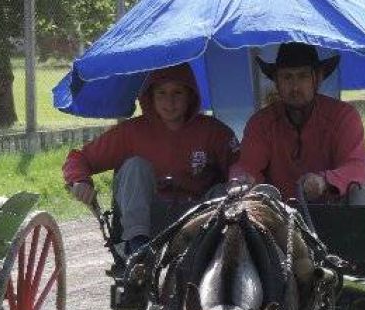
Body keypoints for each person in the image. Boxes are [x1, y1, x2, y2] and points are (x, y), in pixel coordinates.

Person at [63, 63, 239, 254]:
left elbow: (241, 166)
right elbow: (79, 158)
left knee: (228, 189)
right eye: (161, 93)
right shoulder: (131, 132)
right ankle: (138, 249)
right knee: (135, 166)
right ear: (150, 96)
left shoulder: (215, 132)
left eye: (177, 93)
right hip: (148, 221)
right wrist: (80, 181)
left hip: (200, 221)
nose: (169, 102)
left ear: (190, 95)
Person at [229, 43, 365, 227]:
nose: (295, 86)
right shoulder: (261, 123)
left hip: (333, 213)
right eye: (287, 77)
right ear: (276, 82)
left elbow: (355, 167)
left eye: (303, 76)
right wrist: (243, 180)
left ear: (318, 79)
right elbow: (247, 166)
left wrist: (324, 181)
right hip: (278, 218)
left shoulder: (343, 116)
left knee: (359, 195)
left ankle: (353, 257)